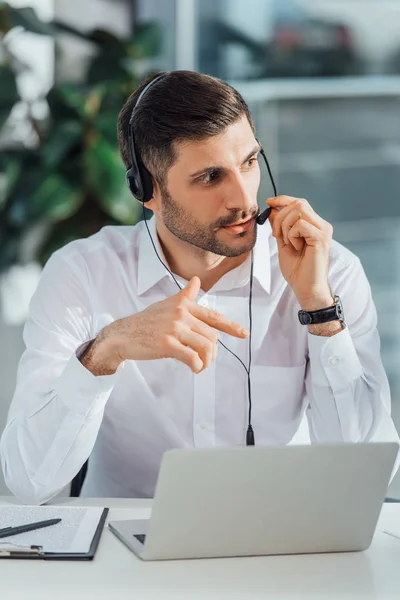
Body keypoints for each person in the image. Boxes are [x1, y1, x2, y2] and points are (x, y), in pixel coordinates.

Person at [1, 71, 398, 505]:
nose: (243, 198)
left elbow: (366, 472)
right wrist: (106, 350)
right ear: (145, 190)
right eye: (210, 177)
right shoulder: (83, 273)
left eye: (249, 162)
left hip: (283, 547)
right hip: (127, 547)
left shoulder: (327, 268)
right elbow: (28, 481)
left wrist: (319, 310)